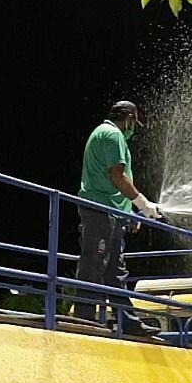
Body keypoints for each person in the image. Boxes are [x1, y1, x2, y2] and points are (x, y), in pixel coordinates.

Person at [75, 100, 161, 336]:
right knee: (94, 263)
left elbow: (113, 180)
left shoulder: (107, 134)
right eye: (134, 122)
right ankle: (84, 319)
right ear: (129, 118)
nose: (134, 127)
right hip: (100, 211)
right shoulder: (112, 135)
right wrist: (142, 205)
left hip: (111, 211)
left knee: (115, 271)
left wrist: (129, 211)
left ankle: (127, 321)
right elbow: (117, 176)